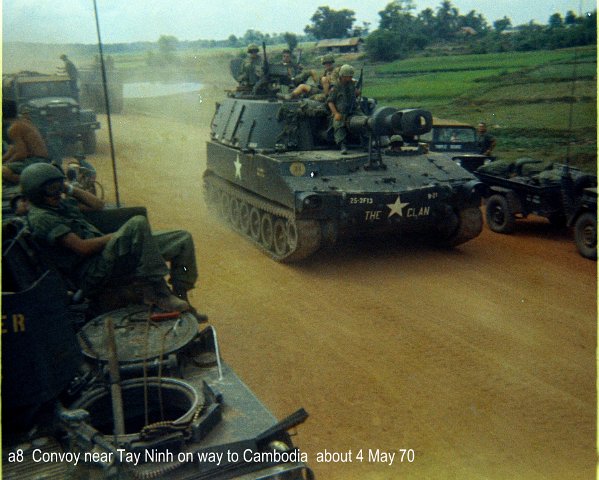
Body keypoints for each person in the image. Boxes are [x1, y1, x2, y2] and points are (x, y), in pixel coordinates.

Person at [20, 163, 202, 316]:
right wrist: (120, 235)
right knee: (136, 224)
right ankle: (156, 291)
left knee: (181, 239)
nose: (58, 193)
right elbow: (82, 248)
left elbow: (97, 204)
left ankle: (181, 295)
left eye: (60, 187)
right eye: (52, 189)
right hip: (91, 271)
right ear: (36, 192)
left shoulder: (58, 205)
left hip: (104, 257)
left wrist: (70, 188)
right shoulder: (42, 217)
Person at [2, 101, 51, 184]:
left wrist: (5, 164)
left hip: (36, 161)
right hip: (42, 159)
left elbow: (21, 154)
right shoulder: (24, 122)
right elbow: (13, 149)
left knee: (3, 171)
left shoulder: (14, 128)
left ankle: (31, 182)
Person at [327, 64, 360, 155]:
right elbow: (330, 101)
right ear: (342, 76)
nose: (350, 78)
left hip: (353, 109)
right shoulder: (336, 86)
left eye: (351, 76)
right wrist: (336, 113)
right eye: (348, 77)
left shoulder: (351, 84)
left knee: (364, 120)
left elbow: (355, 94)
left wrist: (357, 90)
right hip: (340, 111)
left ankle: (366, 143)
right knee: (338, 124)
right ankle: (342, 145)